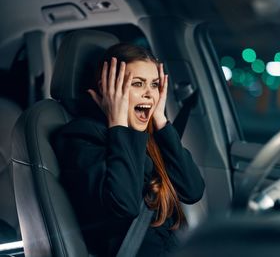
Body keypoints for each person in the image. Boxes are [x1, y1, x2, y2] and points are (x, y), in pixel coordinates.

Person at [53, 43, 205, 257]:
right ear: (108, 89)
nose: (149, 94)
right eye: (137, 84)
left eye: (154, 85)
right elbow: (124, 205)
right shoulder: (80, 136)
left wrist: (161, 120)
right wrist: (118, 125)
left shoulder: (148, 135)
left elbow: (193, 190)